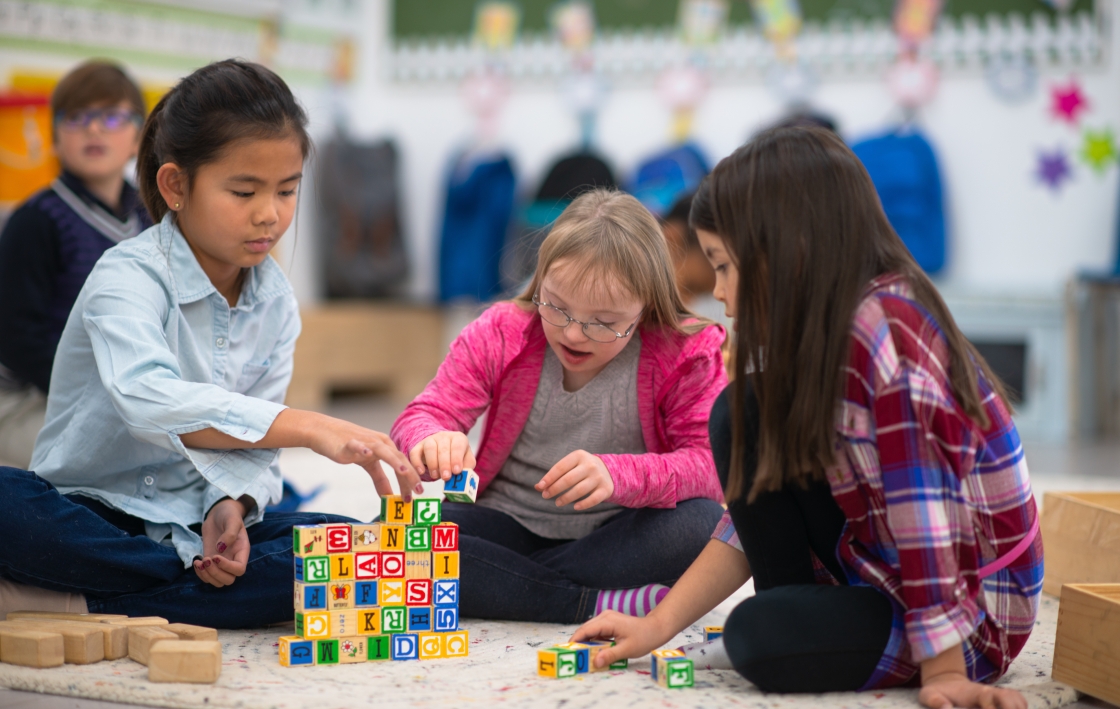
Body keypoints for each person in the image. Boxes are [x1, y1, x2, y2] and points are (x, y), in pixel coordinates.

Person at [573, 127, 1042, 709]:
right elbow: (751, 510)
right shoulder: (832, 328)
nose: (717, 290)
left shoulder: (886, 330)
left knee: (756, 635)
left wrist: (945, 673)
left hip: (971, 618)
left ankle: (805, 625)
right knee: (744, 409)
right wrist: (657, 624)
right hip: (889, 569)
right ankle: (801, 615)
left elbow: (925, 510)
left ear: (785, 252)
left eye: (723, 266)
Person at [0, 59, 420, 628]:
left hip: (191, 526)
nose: (269, 214)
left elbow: (250, 456)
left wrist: (231, 506)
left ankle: (78, 599)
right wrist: (309, 426)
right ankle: (154, 584)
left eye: (287, 190)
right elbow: (149, 400)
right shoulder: (126, 274)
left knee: (353, 545)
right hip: (87, 516)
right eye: (244, 191)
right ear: (176, 185)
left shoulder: (276, 304)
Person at [391, 189, 727, 623]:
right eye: (556, 307)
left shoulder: (686, 350)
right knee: (400, 541)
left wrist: (618, 475)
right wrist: (432, 438)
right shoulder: (502, 329)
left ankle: (509, 585)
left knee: (699, 526)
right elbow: (423, 413)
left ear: (646, 307)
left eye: (603, 323)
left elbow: (711, 467)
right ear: (540, 282)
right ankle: (585, 601)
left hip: (617, 532)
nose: (573, 334)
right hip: (506, 522)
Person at [0, 60, 152, 468]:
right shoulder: (36, 220)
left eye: (112, 116)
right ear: (53, 139)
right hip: (30, 400)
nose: (94, 128)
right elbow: (18, 340)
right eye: (77, 117)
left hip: (126, 393)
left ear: (139, 137)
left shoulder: (151, 216)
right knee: (111, 467)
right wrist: (100, 401)